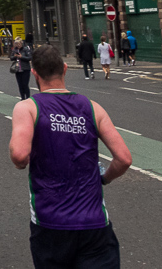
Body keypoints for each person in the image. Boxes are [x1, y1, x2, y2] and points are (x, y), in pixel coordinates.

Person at [8, 45, 132, 269]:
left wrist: (22, 162)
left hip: (50, 223)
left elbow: (19, 155)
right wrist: (104, 178)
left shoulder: (28, 108)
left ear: (34, 73)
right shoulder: (93, 107)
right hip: (94, 224)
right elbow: (123, 159)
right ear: (65, 69)